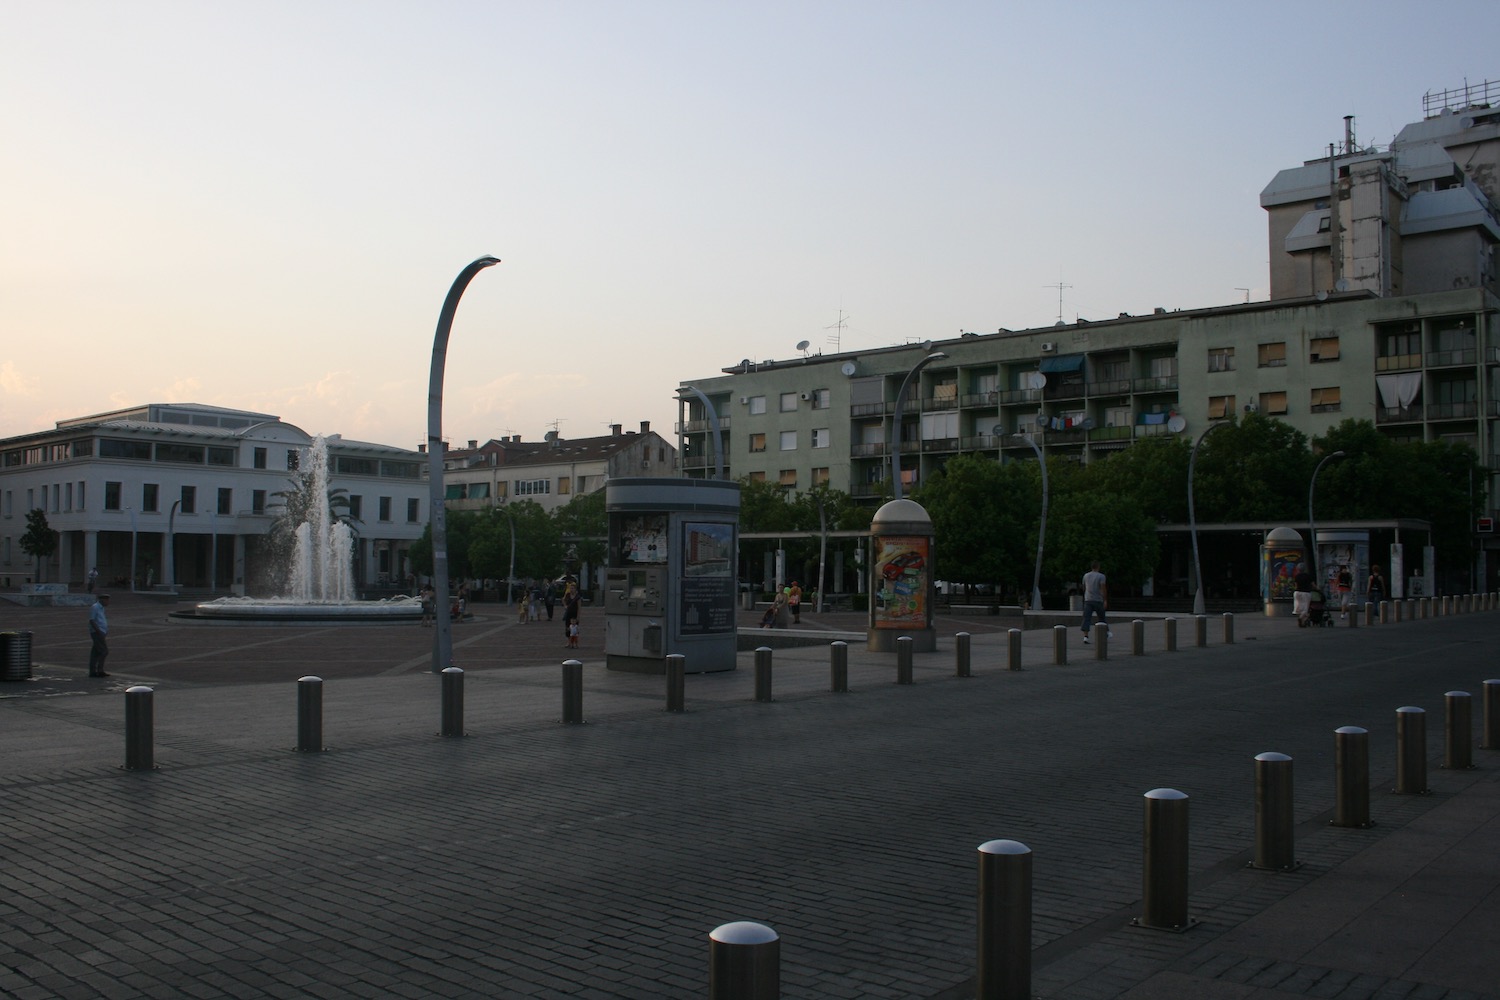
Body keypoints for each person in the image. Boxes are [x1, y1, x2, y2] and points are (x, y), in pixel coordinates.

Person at [1080, 562, 1112, 643]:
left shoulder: (1086, 576)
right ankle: (1107, 633)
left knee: (1086, 618)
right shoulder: (1101, 576)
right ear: (1098, 567)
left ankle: (1085, 636)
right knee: (1101, 617)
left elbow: (1084, 587)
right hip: (1098, 599)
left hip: (1088, 599)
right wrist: (1105, 600)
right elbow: (1103, 588)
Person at [88, 593, 111, 677]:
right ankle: (99, 670)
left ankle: (93, 671)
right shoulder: (95, 607)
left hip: (101, 632)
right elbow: (92, 620)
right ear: (102, 600)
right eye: (107, 600)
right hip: (97, 632)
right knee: (104, 651)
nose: (108, 602)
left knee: (95, 652)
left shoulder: (101, 608)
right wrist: (98, 631)